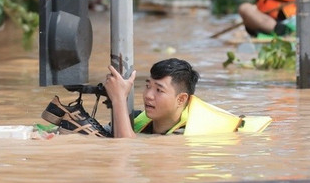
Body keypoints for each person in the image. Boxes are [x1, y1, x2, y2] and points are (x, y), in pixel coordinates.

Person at [42, 58, 245, 138]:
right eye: (147, 86)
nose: (148, 95)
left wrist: (119, 99)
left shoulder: (186, 136)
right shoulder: (141, 120)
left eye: (159, 90)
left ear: (181, 99)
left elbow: (127, 152)